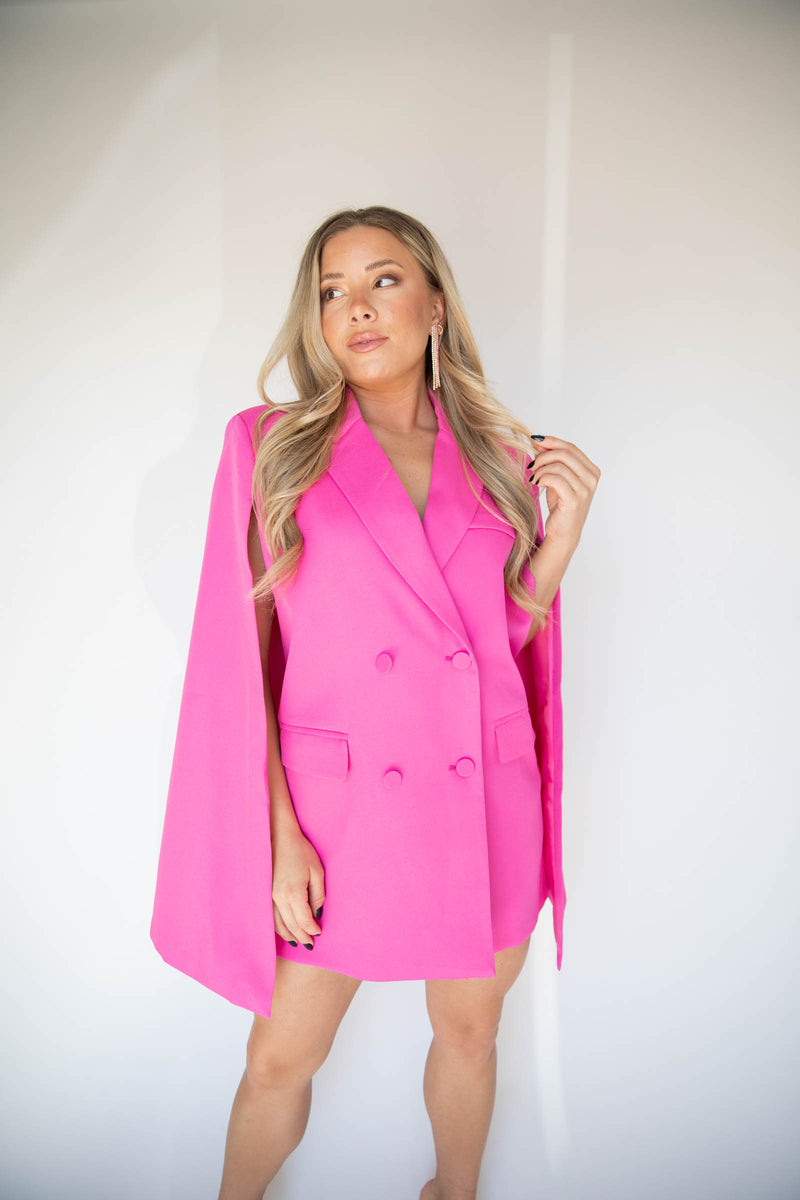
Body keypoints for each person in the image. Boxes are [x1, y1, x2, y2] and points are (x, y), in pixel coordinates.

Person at [150, 204, 600, 1200]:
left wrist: (556, 549)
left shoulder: (501, 457)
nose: (355, 307)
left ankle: (452, 1193)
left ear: (435, 304)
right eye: (331, 290)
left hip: (483, 793)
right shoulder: (270, 445)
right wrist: (278, 834)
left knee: (470, 1032)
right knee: (279, 1057)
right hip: (336, 816)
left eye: (383, 280)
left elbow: (490, 644)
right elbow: (241, 664)